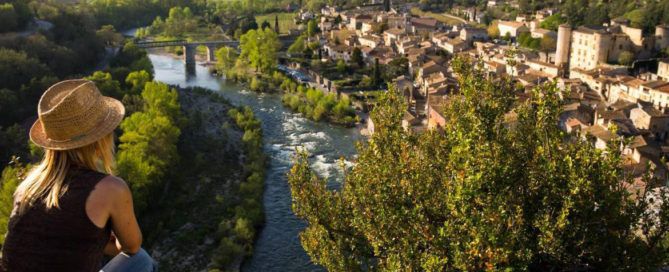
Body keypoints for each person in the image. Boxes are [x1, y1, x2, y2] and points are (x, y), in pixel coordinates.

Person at [0, 79, 156, 272]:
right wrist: (109, 240)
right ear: (101, 138)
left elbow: (49, 243)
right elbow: (131, 247)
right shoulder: (111, 188)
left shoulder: (28, 186)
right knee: (142, 260)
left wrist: (95, 235)